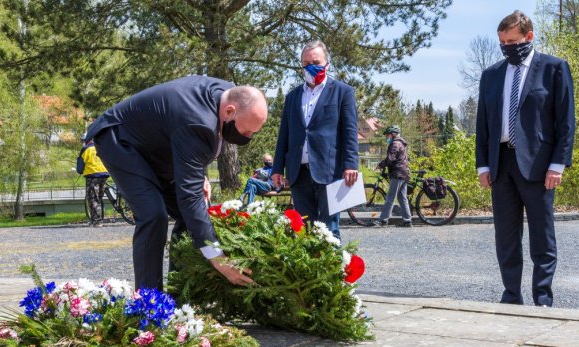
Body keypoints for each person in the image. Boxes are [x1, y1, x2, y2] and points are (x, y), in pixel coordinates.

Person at [85, 76, 268, 291]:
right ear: (229, 112)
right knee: (153, 215)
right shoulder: (198, 122)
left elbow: (192, 142)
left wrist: (201, 174)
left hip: (156, 146)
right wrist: (218, 258)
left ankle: (179, 291)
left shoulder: (229, 93)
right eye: (246, 131)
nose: (248, 137)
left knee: (187, 218)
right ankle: (150, 302)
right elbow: (190, 198)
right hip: (120, 140)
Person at [475, 10, 575, 307]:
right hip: (501, 165)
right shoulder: (491, 75)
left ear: (529, 37)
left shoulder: (554, 69)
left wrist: (558, 163)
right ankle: (511, 297)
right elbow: (483, 124)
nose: (507, 47)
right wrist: (483, 164)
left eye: (512, 41)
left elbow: (565, 122)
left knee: (542, 238)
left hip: (540, 167)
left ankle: (542, 298)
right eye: (502, 42)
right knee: (506, 237)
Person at [271, 40, 359, 240]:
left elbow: (349, 131)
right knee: (304, 230)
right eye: (306, 62)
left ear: (327, 64)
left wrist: (351, 164)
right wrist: (277, 168)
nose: (311, 66)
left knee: (330, 230)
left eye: (316, 62)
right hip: (298, 174)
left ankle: (334, 271)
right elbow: (284, 134)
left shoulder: (343, 92)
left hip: (331, 172)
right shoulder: (292, 96)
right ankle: (308, 272)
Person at [373, 125, 412, 227]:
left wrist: (380, 165)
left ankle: (383, 220)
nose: (387, 137)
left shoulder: (395, 144)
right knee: (402, 199)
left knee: (390, 198)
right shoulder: (401, 143)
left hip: (398, 173)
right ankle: (407, 221)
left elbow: (391, 158)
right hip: (404, 173)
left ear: (393, 134)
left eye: (388, 135)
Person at [78, 138, 110, 227]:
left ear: (86, 141)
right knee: (99, 197)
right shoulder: (101, 147)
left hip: (92, 176)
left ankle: (97, 221)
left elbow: (80, 168)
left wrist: (81, 171)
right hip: (104, 174)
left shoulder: (86, 149)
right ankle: (98, 219)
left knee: (93, 198)